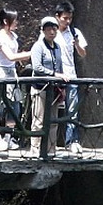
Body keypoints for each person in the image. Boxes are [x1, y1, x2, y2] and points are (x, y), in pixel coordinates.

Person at [0, 8, 31, 156]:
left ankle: (8, 136)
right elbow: (10, 56)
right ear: (6, 22)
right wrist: (30, 53)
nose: (17, 23)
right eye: (15, 20)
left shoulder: (13, 36)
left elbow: (14, 60)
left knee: (14, 107)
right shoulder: (0, 37)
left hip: (12, 73)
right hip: (0, 72)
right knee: (0, 106)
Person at [29, 17, 65, 156]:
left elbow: (60, 67)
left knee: (53, 121)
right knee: (38, 120)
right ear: (42, 30)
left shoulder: (57, 47)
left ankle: (51, 150)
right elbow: (37, 67)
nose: (52, 31)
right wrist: (54, 74)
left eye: (54, 28)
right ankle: (35, 149)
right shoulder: (38, 46)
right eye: (48, 28)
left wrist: (62, 85)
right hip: (40, 88)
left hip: (54, 89)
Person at [55, 1, 87, 153]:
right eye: (64, 18)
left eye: (70, 18)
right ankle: (48, 142)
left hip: (71, 75)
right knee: (51, 109)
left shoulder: (75, 32)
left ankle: (72, 141)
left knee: (72, 109)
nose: (67, 21)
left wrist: (77, 45)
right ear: (57, 17)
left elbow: (83, 53)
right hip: (55, 77)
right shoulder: (50, 31)